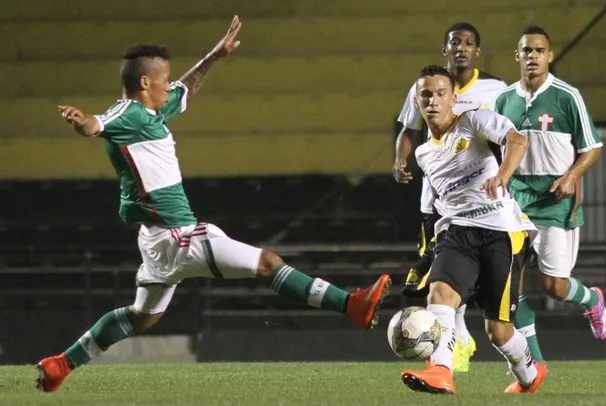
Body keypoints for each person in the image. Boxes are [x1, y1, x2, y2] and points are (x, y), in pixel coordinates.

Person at [35, 16, 391, 393]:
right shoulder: (129, 114)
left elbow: (184, 89)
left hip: (156, 240)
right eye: (162, 78)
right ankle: (352, 305)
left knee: (141, 318)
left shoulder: (153, 112)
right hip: (178, 236)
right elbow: (97, 124)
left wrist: (215, 55)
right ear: (144, 83)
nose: (168, 84)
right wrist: (81, 122)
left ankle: (62, 363)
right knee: (268, 263)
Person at [400, 65, 547, 395]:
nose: (434, 100)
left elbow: (516, 139)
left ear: (454, 98)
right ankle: (441, 372)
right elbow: (449, 202)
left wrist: (504, 175)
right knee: (439, 296)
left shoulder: (474, 120)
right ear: (417, 100)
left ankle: (529, 372)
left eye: (441, 94)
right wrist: (429, 255)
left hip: (502, 232)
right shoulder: (424, 154)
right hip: (458, 233)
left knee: (498, 331)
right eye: (426, 94)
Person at [392, 21, 507, 373]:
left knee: (492, 305)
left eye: (468, 42)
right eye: (454, 42)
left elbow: (510, 135)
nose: (460, 47)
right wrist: (399, 159)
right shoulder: (427, 87)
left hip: (487, 204)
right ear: (445, 49)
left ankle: (471, 341)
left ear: (477, 50)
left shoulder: (495, 89)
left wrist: (503, 177)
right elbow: (407, 131)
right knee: (440, 277)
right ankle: (455, 340)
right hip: (439, 203)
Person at [493, 25, 606, 364]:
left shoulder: (566, 96)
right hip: (515, 203)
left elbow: (593, 147)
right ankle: (536, 364)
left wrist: (571, 176)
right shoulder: (504, 100)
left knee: (554, 287)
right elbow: (497, 151)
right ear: (517, 55)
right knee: (512, 288)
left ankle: (590, 299)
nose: (532, 56)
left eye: (539, 50)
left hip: (555, 202)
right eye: (526, 50)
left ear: (550, 55)